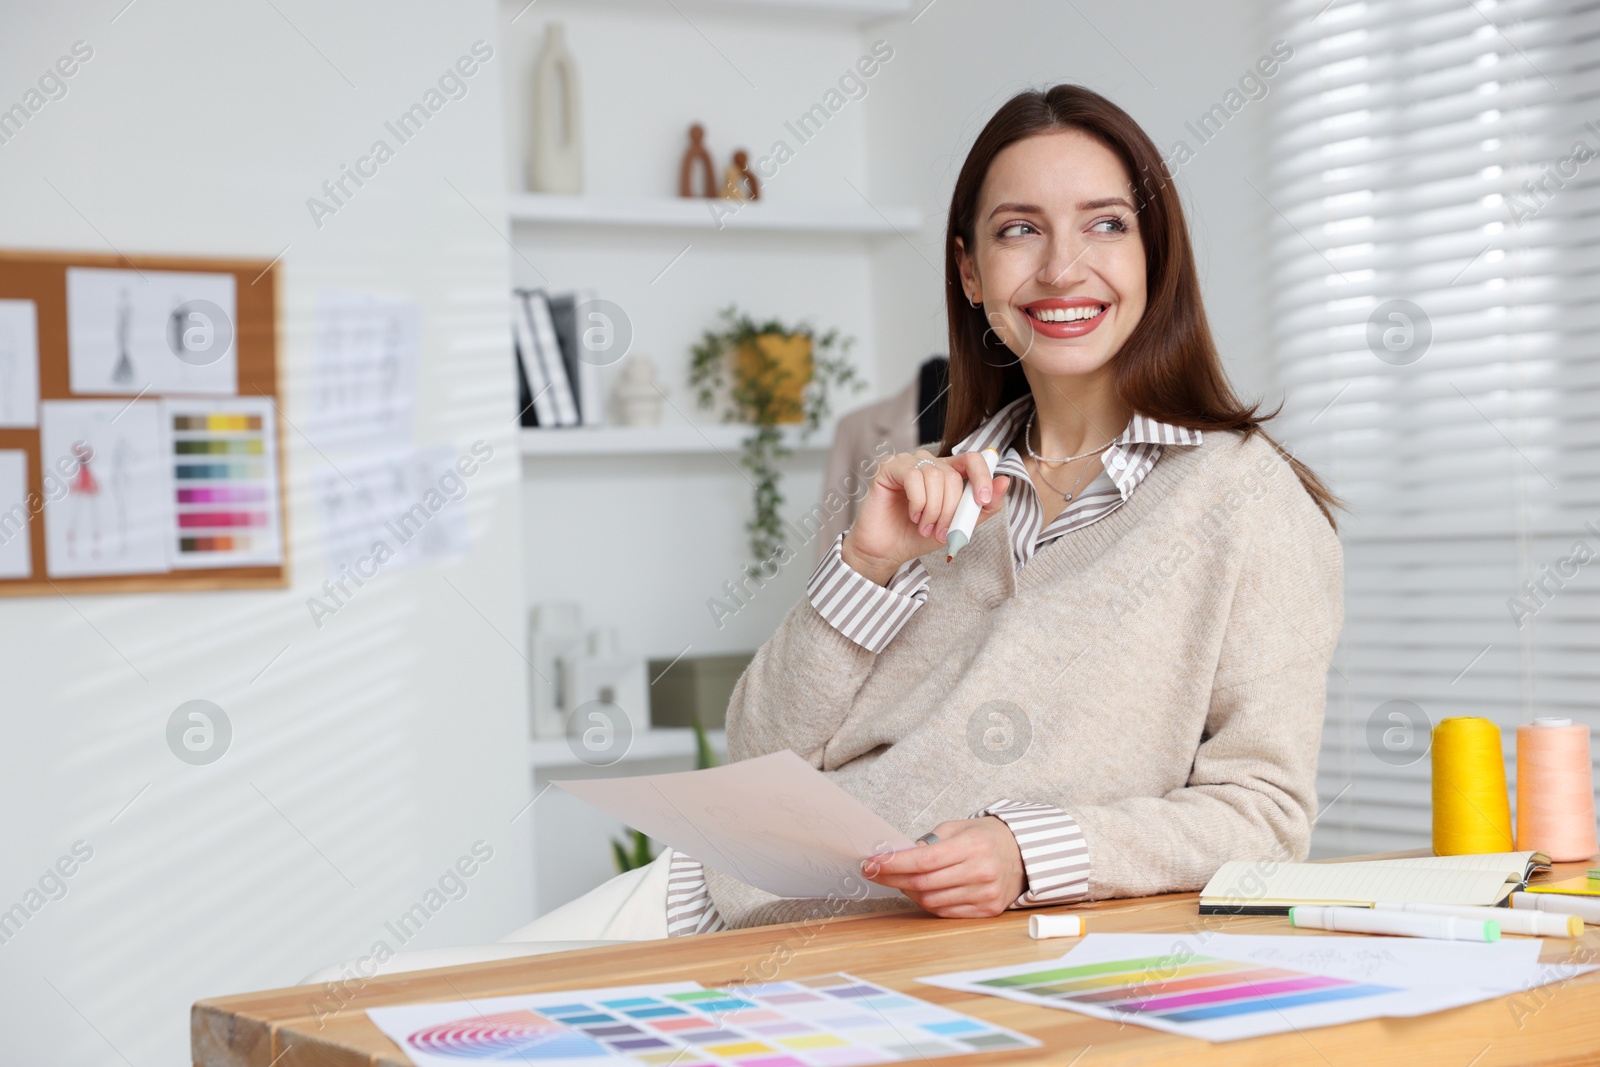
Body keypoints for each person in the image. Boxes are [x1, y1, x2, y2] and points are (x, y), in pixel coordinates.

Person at [304, 84, 1344, 982]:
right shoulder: (928, 484)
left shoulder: (1244, 501)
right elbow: (763, 753)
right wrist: (867, 561)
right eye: (1019, 227)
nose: (1063, 266)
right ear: (973, 272)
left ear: (1155, 256)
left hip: (926, 956)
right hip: (725, 908)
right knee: (352, 1011)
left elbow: (1261, 813)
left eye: (1105, 223)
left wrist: (1028, 850)